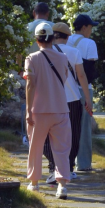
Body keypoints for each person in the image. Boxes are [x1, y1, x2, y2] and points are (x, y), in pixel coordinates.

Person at [24, 22, 72, 199]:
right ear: (52, 38)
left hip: (39, 110)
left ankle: (34, 183)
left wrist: (28, 110)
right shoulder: (63, 57)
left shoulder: (31, 58)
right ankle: (62, 186)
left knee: (35, 147)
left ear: (37, 40)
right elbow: (65, 78)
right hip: (60, 108)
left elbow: (30, 85)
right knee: (61, 149)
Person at [42, 22, 93, 185]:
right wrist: (88, 99)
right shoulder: (74, 51)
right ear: (68, 37)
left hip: (50, 100)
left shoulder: (44, 52)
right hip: (72, 98)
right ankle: (68, 168)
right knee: (73, 134)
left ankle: (53, 168)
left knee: (48, 135)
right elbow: (82, 76)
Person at [67, 14, 100, 172]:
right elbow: (90, 70)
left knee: (68, 125)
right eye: (91, 27)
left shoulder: (66, 41)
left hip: (67, 89)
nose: (91, 30)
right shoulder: (89, 43)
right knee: (84, 127)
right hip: (84, 88)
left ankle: (66, 163)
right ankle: (84, 163)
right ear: (85, 27)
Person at [20, 3, 53, 146]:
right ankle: (48, 137)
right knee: (49, 105)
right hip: (50, 71)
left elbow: (18, 51)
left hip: (30, 69)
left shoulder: (25, 28)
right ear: (48, 13)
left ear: (34, 13)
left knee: (30, 104)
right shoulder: (53, 26)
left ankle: (30, 135)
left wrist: (19, 68)